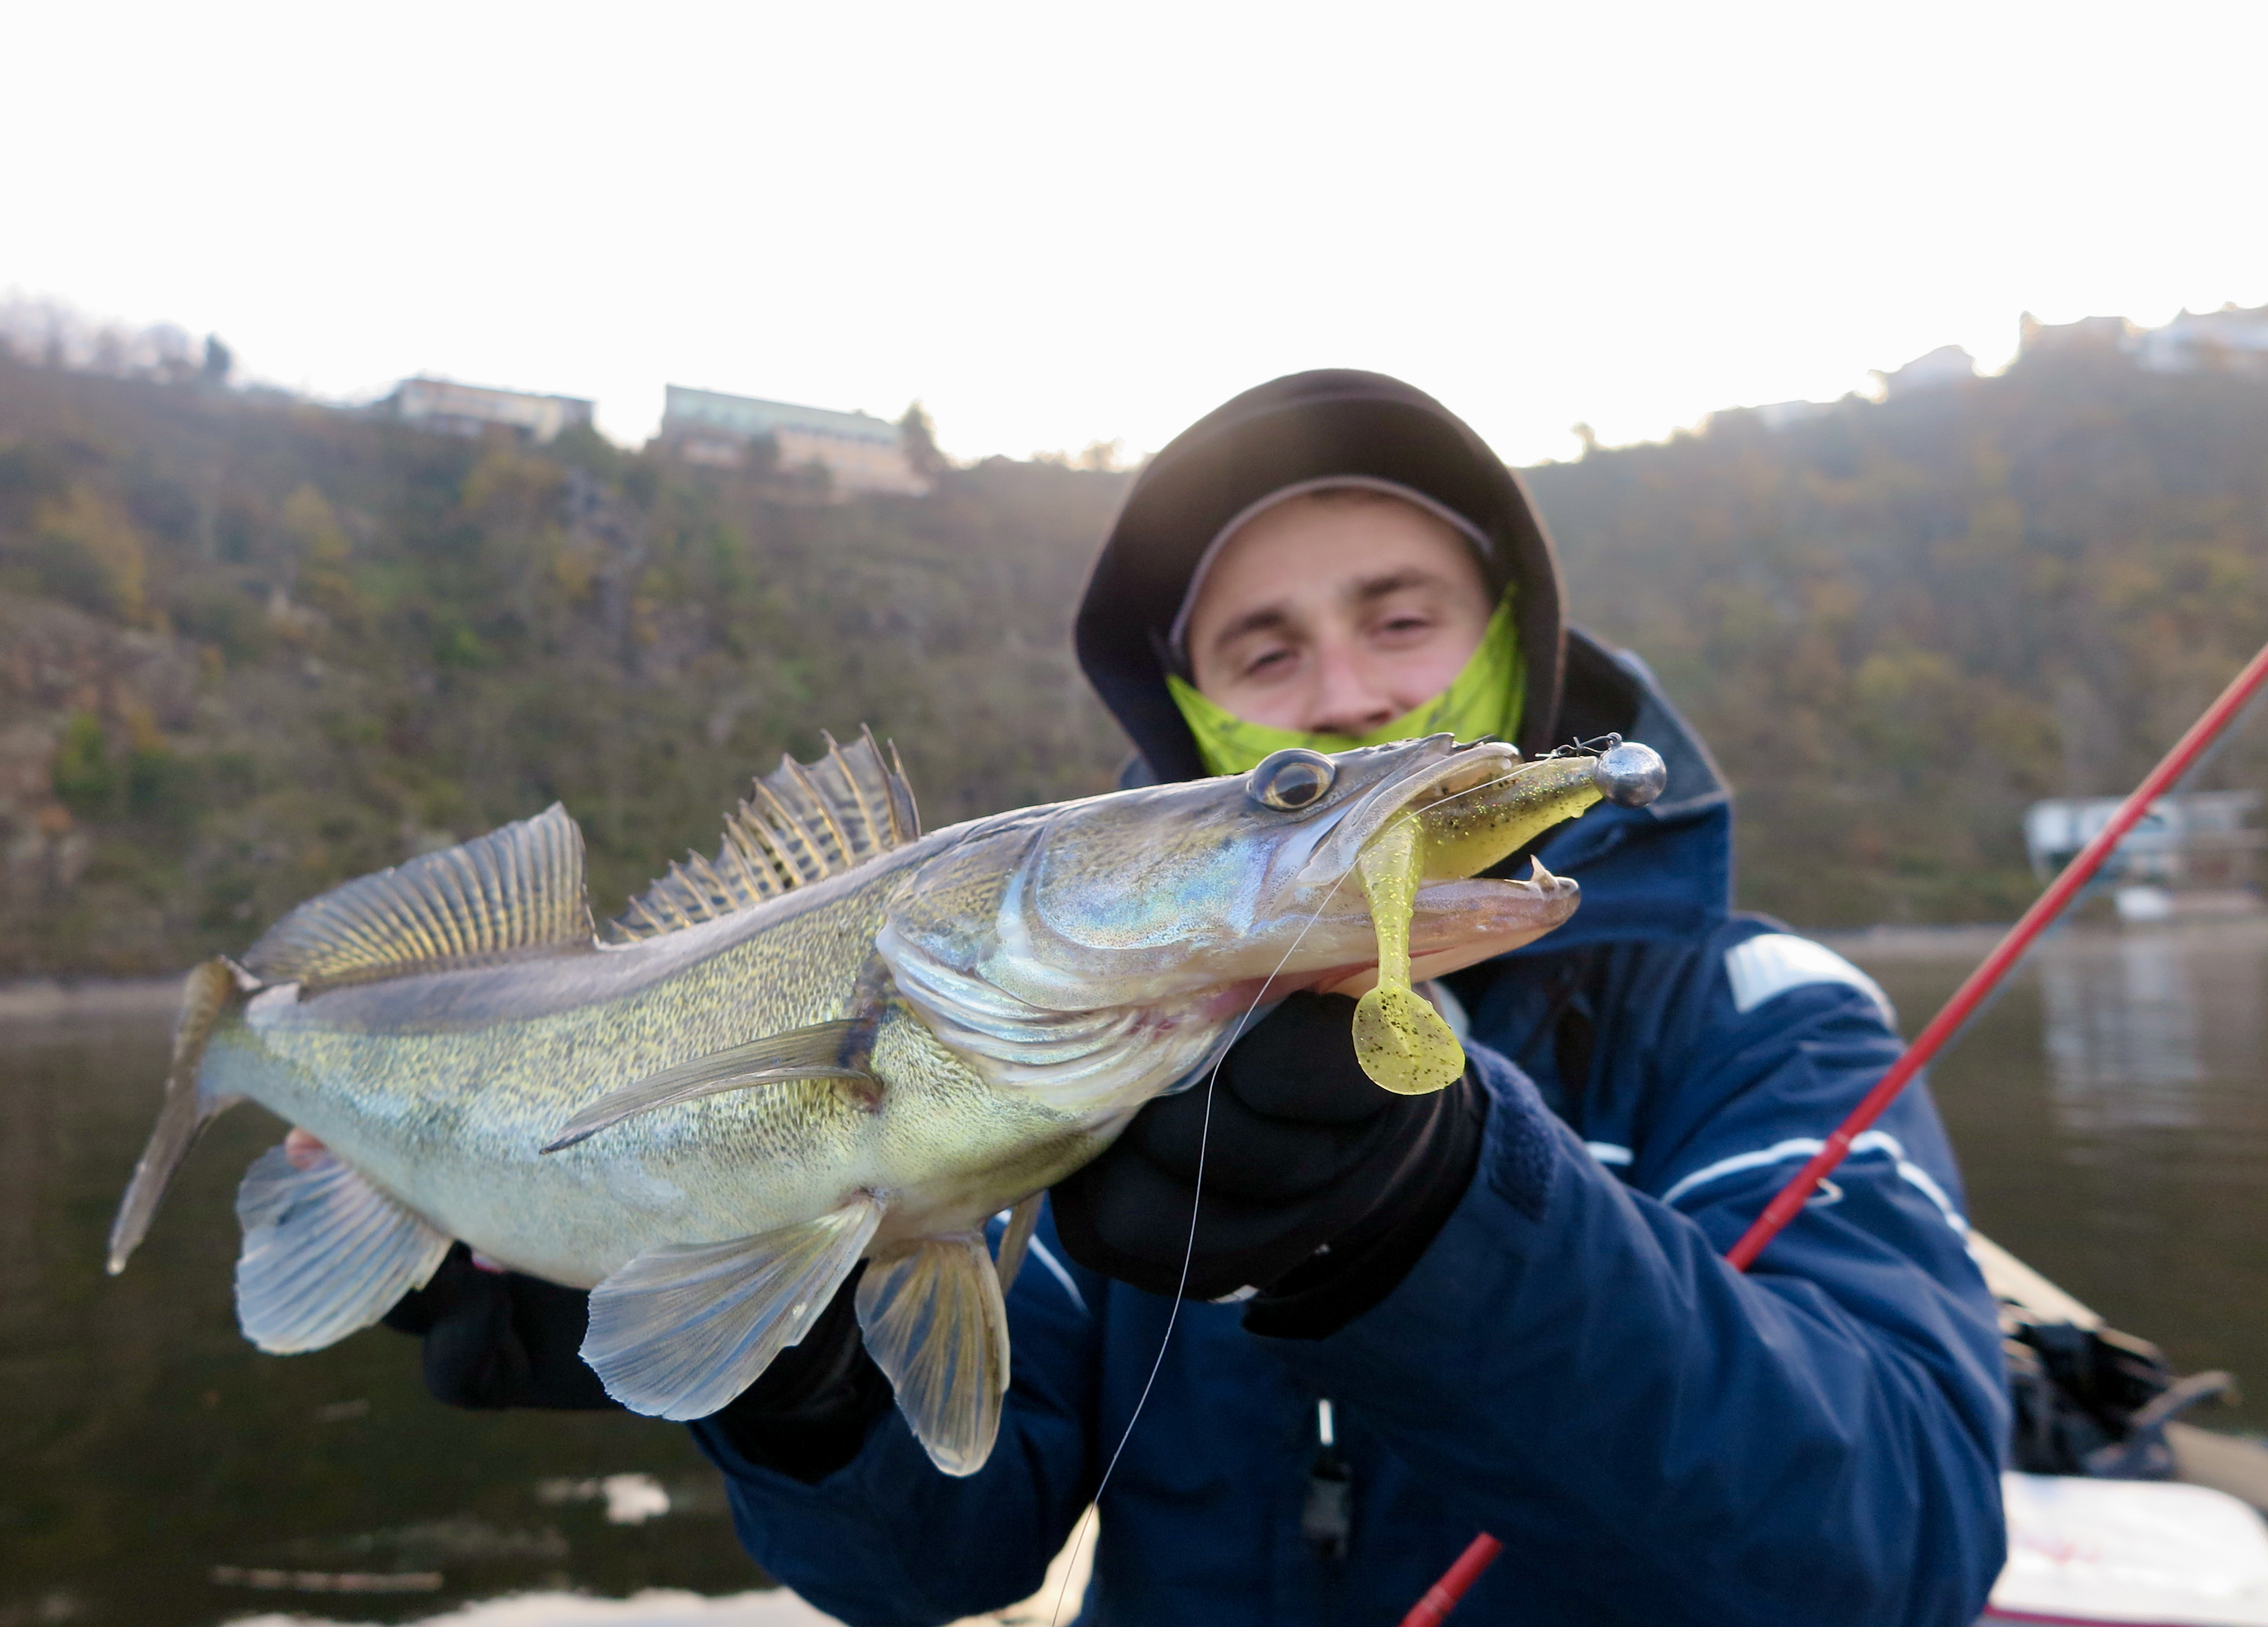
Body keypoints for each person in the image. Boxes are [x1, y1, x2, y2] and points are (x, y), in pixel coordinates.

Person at [363, 370, 2010, 1625]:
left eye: (1403, 621)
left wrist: (1439, 1216)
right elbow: (947, 1546)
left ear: (1523, 658)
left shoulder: (1760, 1014)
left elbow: (1908, 1545)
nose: (1355, 700)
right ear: (1187, 730)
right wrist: (795, 1371)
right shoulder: (1091, 1056)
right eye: (1269, 665)